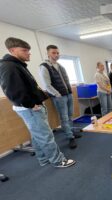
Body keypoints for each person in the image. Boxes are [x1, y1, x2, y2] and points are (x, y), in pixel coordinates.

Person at [0, 37, 75, 168]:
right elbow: (12, 91)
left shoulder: (17, 64)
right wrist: (31, 104)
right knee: (46, 136)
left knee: (37, 136)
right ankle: (58, 161)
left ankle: (43, 159)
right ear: (12, 50)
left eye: (28, 50)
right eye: (24, 50)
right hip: (30, 108)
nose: (28, 53)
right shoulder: (9, 66)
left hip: (32, 106)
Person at [39, 45, 81, 150]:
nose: (56, 55)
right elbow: (47, 85)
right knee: (64, 118)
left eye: (57, 53)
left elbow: (66, 80)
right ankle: (70, 137)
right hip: (59, 97)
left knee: (70, 115)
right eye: (54, 53)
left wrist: (70, 92)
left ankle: (70, 132)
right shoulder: (44, 66)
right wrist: (58, 95)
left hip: (68, 94)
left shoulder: (60, 66)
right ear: (48, 54)